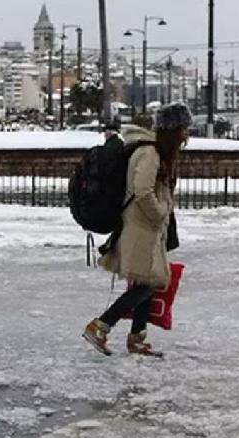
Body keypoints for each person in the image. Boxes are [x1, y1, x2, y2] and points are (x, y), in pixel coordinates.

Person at [82, 102, 193, 357]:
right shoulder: (149, 153)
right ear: (173, 130)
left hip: (147, 228)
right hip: (142, 227)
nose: (186, 135)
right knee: (145, 285)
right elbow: (143, 191)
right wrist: (160, 213)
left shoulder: (153, 152)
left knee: (148, 282)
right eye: (183, 129)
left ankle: (137, 338)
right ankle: (100, 326)